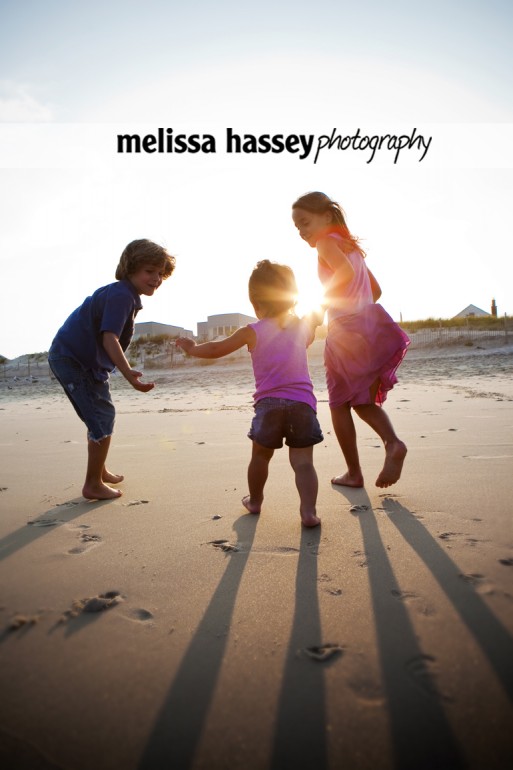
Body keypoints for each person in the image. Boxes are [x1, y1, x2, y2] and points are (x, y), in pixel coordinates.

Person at [176, 260, 323, 527]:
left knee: (260, 456)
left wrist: (192, 348)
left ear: (255, 302)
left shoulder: (251, 331)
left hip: (269, 406)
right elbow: (311, 331)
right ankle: (308, 513)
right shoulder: (300, 326)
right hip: (302, 404)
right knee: (303, 462)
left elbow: (216, 349)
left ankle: (255, 501)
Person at [292, 191, 410, 489]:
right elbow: (376, 289)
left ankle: (354, 472)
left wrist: (320, 308)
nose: (302, 232)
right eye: (298, 228)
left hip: (346, 328)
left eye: (305, 222)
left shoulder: (325, 243)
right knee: (362, 400)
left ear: (328, 217)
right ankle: (393, 443)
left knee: (338, 403)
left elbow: (342, 273)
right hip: (371, 324)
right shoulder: (351, 248)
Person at [48, 239, 175, 500]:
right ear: (131, 269)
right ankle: (92, 484)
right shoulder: (121, 295)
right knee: (101, 416)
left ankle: (100, 469)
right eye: (149, 271)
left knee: (98, 416)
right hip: (73, 360)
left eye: (160, 273)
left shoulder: (124, 294)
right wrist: (129, 375)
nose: (156, 278)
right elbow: (110, 338)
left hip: (82, 361)